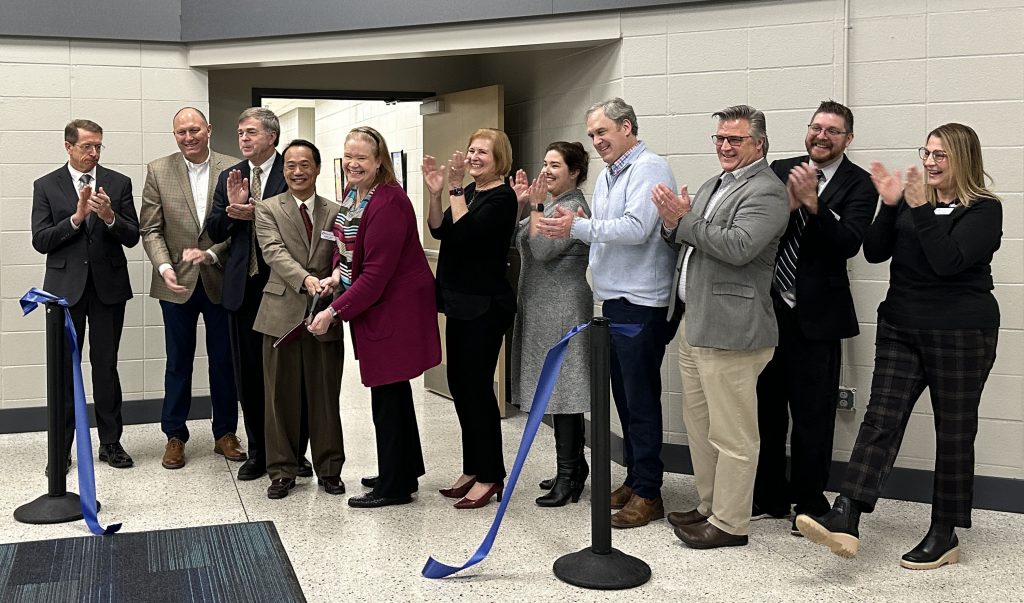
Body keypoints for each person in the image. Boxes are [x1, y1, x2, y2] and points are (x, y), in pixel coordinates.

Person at [796, 123, 1002, 571]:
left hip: (962, 333)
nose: (929, 162)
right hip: (902, 326)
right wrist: (890, 206)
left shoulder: (984, 210)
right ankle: (847, 515)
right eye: (926, 153)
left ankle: (944, 532)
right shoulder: (913, 202)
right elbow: (873, 252)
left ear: (963, 159)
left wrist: (919, 208)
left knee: (954, 431)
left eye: (940, 156)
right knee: (880, 421)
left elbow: (948, 261)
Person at [537, 98, 679, 528]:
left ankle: (650, 492)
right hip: (614, 299)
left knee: (640, 400)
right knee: (623, 399)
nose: (597, 141)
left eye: (603, 132)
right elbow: (604, 228)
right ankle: (636, 481)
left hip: (641, 301)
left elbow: (637, 230)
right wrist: (583, 226)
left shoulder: (650, 168)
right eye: (593, 134)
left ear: (628, 127)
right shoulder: (609, 175)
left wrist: (576, 227)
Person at [652, 104, 788, 549]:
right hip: (697, 323)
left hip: (734, 329)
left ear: (759, 145)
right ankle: (709, 505)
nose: (724, 147)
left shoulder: (767, 190)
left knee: (734, 434)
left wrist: (684, 220)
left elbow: (738, 246)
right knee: (700, 426)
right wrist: (673, 223)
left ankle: (731, 524)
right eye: (719, 139)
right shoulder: (715, 184)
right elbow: (687, 236)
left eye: (735, 140)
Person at [752, 101, 878, 533]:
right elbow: (760, 228)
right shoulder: (780, 169)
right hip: (769, 311)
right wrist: (787, 205)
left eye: (834, 131)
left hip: (818, 317)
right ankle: (768, 494)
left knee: (813, 415)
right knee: (767, 408)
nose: (823, 137)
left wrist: (813, 205)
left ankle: (807, 500)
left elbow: (847, 243)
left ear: (848, 139)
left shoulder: (861, 184)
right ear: (807, 131)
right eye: (817, 128)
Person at [308, 126, 441, 509]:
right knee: (391, 393)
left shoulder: (389, 202)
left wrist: (333, 311)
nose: (353, 163)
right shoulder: (354, 195)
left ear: (379, 160)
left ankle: (395, 486)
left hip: (394, 310)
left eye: (362, 157)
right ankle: (401, 469)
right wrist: (335, 274)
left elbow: (377, 274)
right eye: (348, 156)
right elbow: (345, 248)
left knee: (389, 394)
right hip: (375, 307)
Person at [207, 107, 310, 481]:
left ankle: (295, 453)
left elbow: (303, 223)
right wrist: (234, 213)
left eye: (250, 132)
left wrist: (259, 213)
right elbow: (214, 230)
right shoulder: (230, 177)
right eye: (239, 133)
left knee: (286, 376)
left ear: (271, 136)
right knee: (249, 376)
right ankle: (260, 452)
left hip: (281, 288)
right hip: (242, 288)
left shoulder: (293, 169)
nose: (243, 139)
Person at [31, 119, 140, 472]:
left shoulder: (119, 183)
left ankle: (110, 443)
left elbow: (132, 235)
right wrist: (76, 219)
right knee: (65, 370)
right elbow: (41, 240)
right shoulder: (46, 185)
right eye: (86, 147)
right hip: (65, 292)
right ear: (68, 147)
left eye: (98, 146)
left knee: (106, 367)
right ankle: (61, 450)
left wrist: (109, 217)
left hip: (108, 288)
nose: (93, 153)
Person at [140, 107, 244, 470]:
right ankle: (174, 436)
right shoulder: (158, 169)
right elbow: (150, 229)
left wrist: (213, 254)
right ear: (175, 136)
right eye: (181, 132)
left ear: (209, 130)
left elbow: (239, 228)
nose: (189, 137)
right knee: (178, 362)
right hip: (176, 283)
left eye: (195, 129)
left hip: (219, 277)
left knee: (224, 361)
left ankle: (225, 433)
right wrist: (165, 266)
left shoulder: (234, 168)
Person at [423, 128, 518, 509]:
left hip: (485, 307)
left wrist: (456, 188)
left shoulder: (503, 197)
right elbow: (439, 229)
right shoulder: (473, 193)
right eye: (471, 150)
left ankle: (492, 475)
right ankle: (473, 467)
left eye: (483, 152)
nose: (475, 156)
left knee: (478, 390)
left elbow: (469, 235)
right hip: (460, 304)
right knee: (460, 386)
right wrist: (435, 193)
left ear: (500, 159)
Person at [253, 139, 345, 500]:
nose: (296, 171)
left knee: (325, 396)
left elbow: (345, 252)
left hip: (326, 311)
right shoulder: (268, 209)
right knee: (280, 398)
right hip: (280, 313)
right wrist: (306, 279)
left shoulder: (337, 210)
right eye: (290, 165)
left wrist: (334, 277)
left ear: (318, 168)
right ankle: (282, 470)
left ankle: (330, 469)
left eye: (304, 164)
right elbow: (272, 252)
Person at [509, 141, 592, 507]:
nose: (547, 170)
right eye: (544, 163)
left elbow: (542, 249)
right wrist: (522, 203)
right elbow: (517, 237)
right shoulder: (552, 205)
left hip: (562, 307)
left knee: (564, 392)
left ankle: (569, 475)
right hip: (541, 305)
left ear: (574, 172)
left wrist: (536, 205)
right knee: (555, 391)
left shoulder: (571, 207)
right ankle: (573, 467)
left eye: (555, 165)